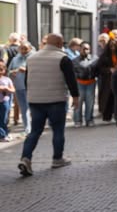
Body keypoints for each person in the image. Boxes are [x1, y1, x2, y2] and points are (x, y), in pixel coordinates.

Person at [18, 33, 79, 176]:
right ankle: (57, 159)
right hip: (56, 100)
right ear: (59, 43)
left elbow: (27, 80)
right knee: (58, 130)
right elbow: (71, 80)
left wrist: (30, 95)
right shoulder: (63, 58)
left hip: (35, 100)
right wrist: (75, 98)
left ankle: (25, 158)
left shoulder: (32, 58)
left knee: (35, 131)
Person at [97, 33, 117, 123]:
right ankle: (107, 116)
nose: (113, 47)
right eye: (111, 45)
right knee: (107, 98)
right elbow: (99, 68)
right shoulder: (104, 56)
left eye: (114, 45)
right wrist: (109, 70)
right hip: (107, 80)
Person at [72, 42, 98, 127]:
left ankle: (89, 119)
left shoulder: (95, 59)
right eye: (83, 48)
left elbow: (98, 70)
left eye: (87, 48)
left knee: (90, 103)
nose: (85, 50)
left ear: (89, 50)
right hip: (79, 83)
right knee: (78, 102)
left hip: (91, 82)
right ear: (79, 49)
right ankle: (77, 120)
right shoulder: (74, 60)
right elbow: (72, 73)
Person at [8, 41, 32, 133]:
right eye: (21, 48)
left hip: (30, 86)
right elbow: (8, 72)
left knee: (31, 108)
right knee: (23, 108)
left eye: (25, 48)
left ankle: (32, 128)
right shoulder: (15, 59)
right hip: (18, 86)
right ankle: (27, 128)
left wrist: (26, 70)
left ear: (30, 49)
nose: (23, 50)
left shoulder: (33, 58)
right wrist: (12, 73)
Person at [0, 60, 14, 142]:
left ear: (4, 70)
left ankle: (5, 134)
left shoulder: (7, 79)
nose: (0, 71)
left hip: (5, 102)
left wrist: (7, 89)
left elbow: (13, 90)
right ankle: (2, 135)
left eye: (1, 69)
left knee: (4, 119)